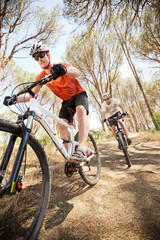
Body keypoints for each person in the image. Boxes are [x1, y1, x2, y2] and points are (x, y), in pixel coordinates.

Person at [12, 42, 90, 163]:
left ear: (48, 54)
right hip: (66, 102)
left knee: (81, 110)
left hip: (79, 94)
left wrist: (64, 70)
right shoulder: (41, 76)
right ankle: (70, 157)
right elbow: (29, 95)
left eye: (41, 55)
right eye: (36, 57)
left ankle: (82, 148)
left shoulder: (60, 66)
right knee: (61, 125)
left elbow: (77, 72)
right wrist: (14, 99)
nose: (40, 59)